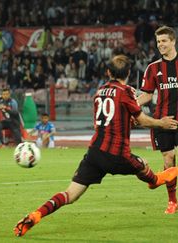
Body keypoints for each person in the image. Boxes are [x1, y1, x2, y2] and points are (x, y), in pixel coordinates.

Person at [14, 55, 178, 237]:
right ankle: (157, 178)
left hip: (94, 153)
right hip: (118, 154)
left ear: (108, 72)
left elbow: (101, 123)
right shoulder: (126, 92)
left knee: (70, 194)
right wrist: (161, 123)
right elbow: (143, 120)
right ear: (129, 73)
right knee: (150, 174)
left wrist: (126, 120)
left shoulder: (99, 92)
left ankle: (35, 215)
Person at [137, 25, 178, 214]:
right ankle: (172, 201)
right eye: (158, 41)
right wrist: (130, 106)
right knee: (169, 159)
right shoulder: (153, 68)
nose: (160, 45)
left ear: (173, 41)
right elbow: (146, 95)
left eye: (164, 41)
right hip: (163, 120)